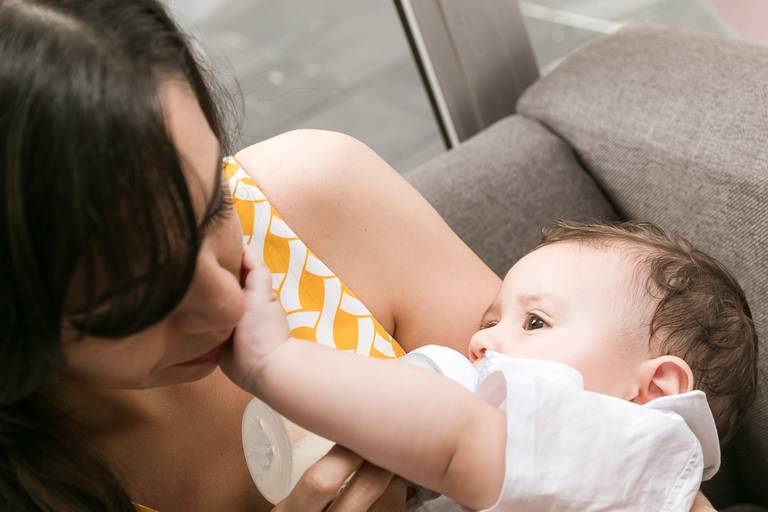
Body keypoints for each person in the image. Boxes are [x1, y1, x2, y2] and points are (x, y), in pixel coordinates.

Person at [0, 0, 721, 510]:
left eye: (215, 205)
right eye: (138, 298)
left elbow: (602, 449)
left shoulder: (324, 198)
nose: (229, 304)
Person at [223, 222, 758, 511]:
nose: (479, 339)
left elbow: (456, 438)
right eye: (490, 318)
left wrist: (277, 361)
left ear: (653, 388)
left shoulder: (632, 448)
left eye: (534, 323)